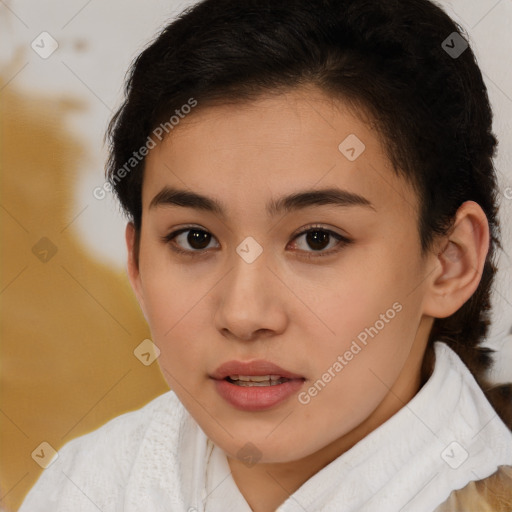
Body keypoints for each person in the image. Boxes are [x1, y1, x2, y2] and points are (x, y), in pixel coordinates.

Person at [18, 0, 512, 510]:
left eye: (317, 239)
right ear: (137, 263)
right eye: (194, 238)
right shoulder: (86, 484)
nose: (243, 314)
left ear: (449, 262)